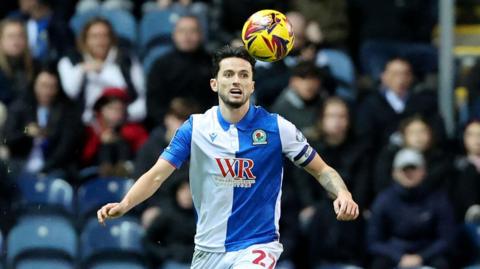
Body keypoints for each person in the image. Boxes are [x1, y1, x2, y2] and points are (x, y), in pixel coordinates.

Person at [97, 45, 359, 269]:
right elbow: (156, 175)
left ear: (252, 84)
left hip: (257, 246)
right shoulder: (196, 128)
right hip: (208, 248)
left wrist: (343, 193)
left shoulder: (278, 128)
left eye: (244, 75)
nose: (236, 80)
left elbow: (322, 170)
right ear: (215, 83)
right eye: (229, 74)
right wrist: (125, 204)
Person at [367, 148, 455, 269]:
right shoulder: (384, 200)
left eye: (413, 169)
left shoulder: (438, 199)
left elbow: (447, 238)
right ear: (394, 173)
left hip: (428, 252)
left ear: (423, 171)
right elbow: (373, 241)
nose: (409, 173)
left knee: (443, 263)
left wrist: (422, 257)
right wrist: (398, 256)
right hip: (393, 252)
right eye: (404, 169)